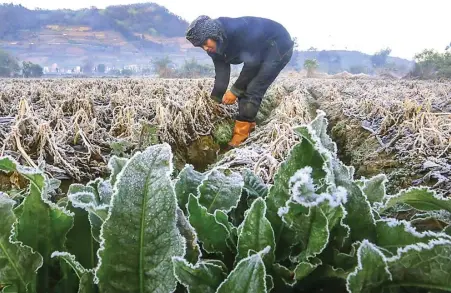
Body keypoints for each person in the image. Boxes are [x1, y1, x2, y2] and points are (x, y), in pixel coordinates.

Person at [185, 15, 294, 148]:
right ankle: (250, 125)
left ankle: (241, 134)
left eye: (204, 43)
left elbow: (252, 64)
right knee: (245, 88)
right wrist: (216, 98)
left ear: (213, 33)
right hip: (258, 52)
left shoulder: (239, 31)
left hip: (277, 44)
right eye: (201, 46)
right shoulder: (214, 47)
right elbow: (222, 71)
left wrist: (234, 91)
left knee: (253, 89)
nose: (205, 48)